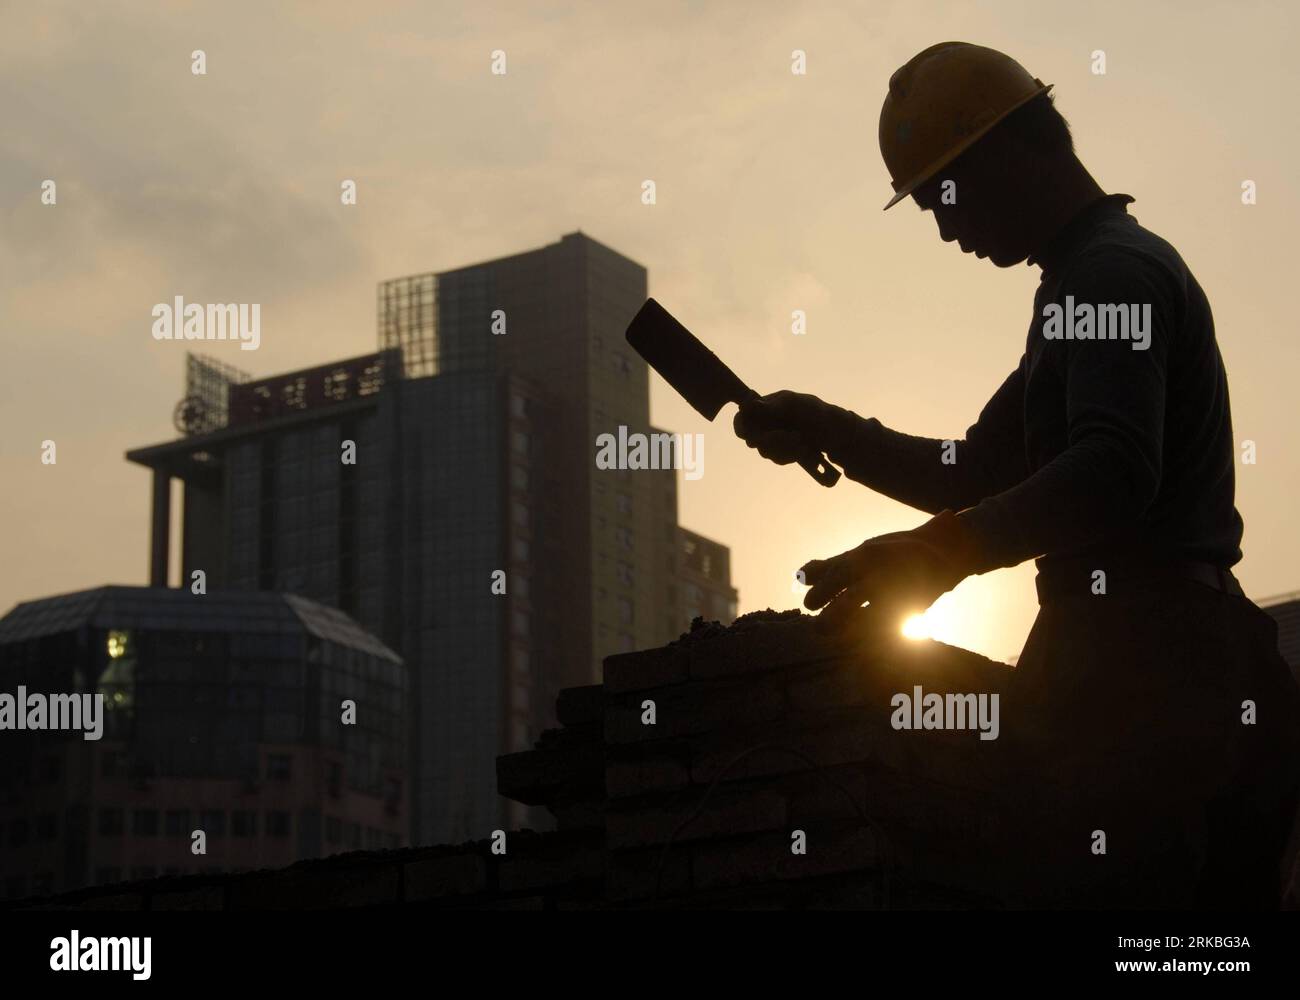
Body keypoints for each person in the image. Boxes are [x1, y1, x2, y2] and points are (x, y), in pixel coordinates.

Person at [733, 42, 1300, 909]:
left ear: (1006, 153)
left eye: (943, 196)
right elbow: (973, 469)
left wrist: (936, 555)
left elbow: (1112, 473)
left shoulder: (1114, 275)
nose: (944, 227)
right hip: (1174, 659)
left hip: (1149, 667)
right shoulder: (1078, 286)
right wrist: (823, 427)